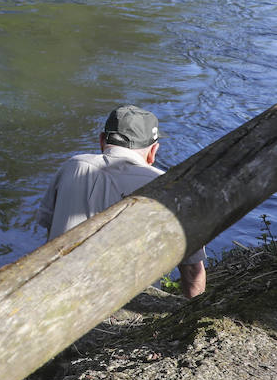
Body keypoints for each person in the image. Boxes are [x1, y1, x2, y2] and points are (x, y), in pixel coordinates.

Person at [38, 104, 206, 298]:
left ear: (102, 140)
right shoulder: (170, 187)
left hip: (56, 298)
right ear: (153, 150)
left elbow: (49, 232)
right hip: (131, 312)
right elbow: (193, 271)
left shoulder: (72, 166)